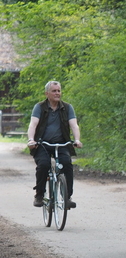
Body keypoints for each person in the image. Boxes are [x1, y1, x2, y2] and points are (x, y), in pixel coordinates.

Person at [27, 81, 83, 209]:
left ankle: (67, 197)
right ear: (47, 93)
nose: (57, 93)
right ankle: (39, 195)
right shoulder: (39, 107)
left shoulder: (67, 107)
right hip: (42, 144)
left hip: (62, 143)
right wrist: (31, 140)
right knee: (44, 164)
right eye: (54, 91)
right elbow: (33, 124)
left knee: (67, 164)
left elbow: (74, 125)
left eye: (59, 90)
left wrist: (77, 140)